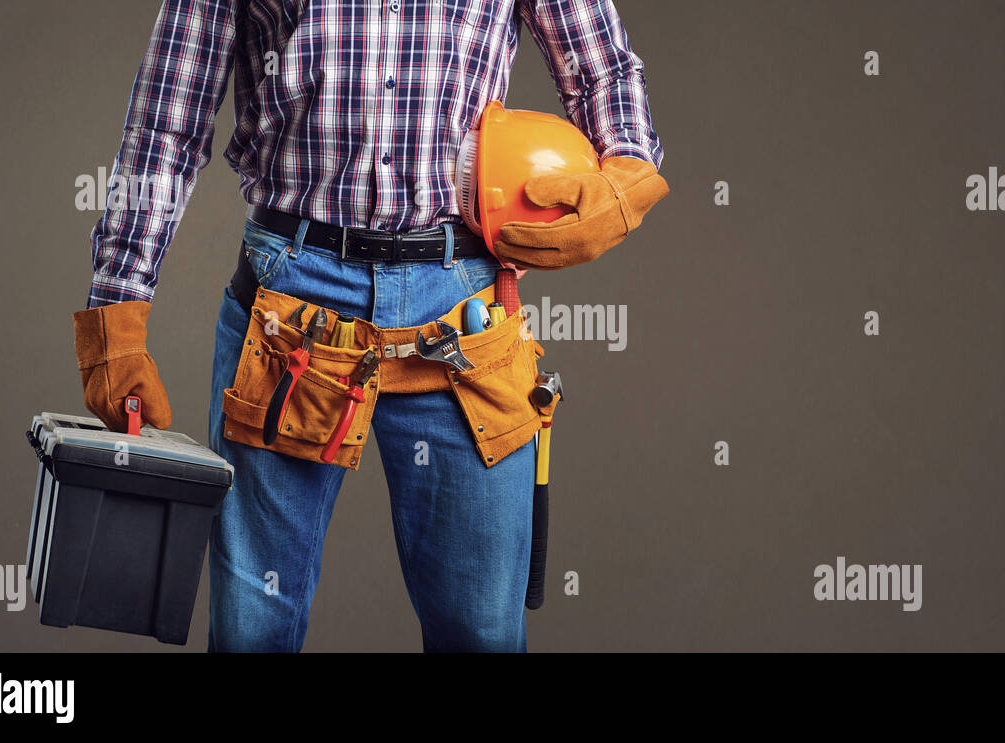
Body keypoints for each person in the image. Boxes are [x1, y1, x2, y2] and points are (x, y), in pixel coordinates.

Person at [71, 0, 668, 652]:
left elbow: (600, 69)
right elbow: (168, 116)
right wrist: (118, 310)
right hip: (291, 305)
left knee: (483, 632)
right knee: (251, 632)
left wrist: (627, 167)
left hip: (460, 312)